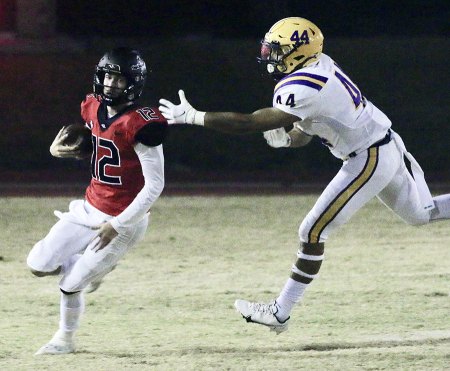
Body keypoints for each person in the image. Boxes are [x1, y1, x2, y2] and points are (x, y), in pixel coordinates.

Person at [158, 17, 450, 334]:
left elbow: (247, 123)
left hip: (370, 155)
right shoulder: (318, 64)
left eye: (278, 50)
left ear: (298, 52)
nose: (270, 55)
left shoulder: (301, 86)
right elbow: (310, 125)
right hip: (381, 145)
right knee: (421, 214)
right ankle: (280, 312)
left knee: (311, 232)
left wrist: (194, 117)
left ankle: (279, 312)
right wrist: (289, 138)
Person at [27, 47, 167, 354]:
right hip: (89, 206)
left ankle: (64, 340)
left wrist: (117, 225)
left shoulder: (142, 122)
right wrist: (80, 144)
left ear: (134, 83)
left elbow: (155, 185)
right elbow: (103, 142)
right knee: (37, 264)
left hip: (124, 219)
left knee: (71, 284)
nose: (110, 85)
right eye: (107, 77)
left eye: (119, 80)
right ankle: (90, 265)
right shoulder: (92, 106)